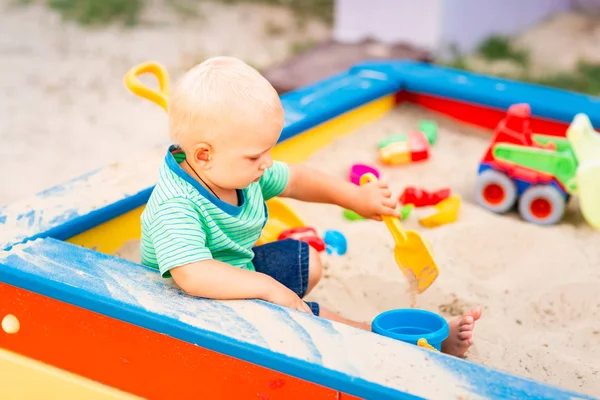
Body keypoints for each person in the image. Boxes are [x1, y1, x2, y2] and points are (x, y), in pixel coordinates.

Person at [140, 56, 481, 357]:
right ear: (203, 155)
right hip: (188, 302)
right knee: (305, 316)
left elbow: (298, 180)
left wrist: (355, 198)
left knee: (308, 262)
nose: (267, 162)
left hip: (238, 270)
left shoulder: (236, 171)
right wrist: (271, 290)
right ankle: (382, 339)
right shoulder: (176, 204)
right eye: (256, 155)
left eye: (269, 149)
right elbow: (194, 275)